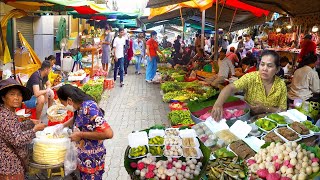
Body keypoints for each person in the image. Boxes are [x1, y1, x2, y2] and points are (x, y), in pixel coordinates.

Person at [54, 84, 113, 180]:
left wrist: (80, 135)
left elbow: (109, 133)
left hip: (93, 158)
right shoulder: (79, 107)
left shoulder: (89, 108)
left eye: (63, 103)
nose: (64, 106)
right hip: (84, 158)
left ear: (69, 100)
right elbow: (78, 118)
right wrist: (62, 125)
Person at [211, 50, 287, 121]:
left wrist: (265, 108)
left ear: (277, 69)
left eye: (269, 66)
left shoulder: (281, 85)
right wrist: (218, 104)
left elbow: (283, 110)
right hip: (249, 118)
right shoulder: (250, 77)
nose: (264, 69)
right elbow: (230, 88)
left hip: (271, 121)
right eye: (262, 64)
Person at [0, 78, 46, 179]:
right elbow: (17, 140)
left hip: (15, 164)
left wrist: (30, 123)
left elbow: (14, 129)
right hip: (10, 167)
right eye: (12, 94)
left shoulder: (9, 112)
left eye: (19, 94)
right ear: (3, 98)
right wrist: (35, 130)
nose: (16, 98)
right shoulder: (4, 116)